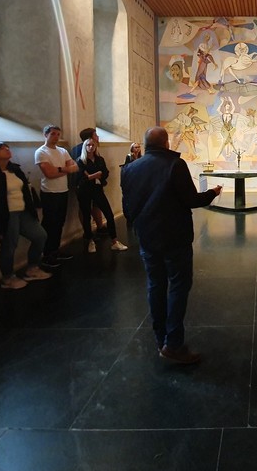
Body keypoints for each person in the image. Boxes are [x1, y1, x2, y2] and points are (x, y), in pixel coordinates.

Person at [121, 127, 221, 364]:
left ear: (145, 144)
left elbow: (127, 207)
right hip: (174, 237)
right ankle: (173, 344)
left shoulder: (129, 168)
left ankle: (160, 339)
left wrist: (141, 225)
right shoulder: (175, 164)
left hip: (147, 238)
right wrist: (212, 193)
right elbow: (191, 200)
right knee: (178, 285)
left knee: (155, 286)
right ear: (166, 143)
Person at [0, 142, 53, 290]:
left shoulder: (15, 170)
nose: (7, 150)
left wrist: (33, 208)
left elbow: (26, 190)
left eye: (7, 147)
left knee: (40, 236)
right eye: (2, 148)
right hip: (6, 214)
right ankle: (8, 277)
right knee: (9, 245)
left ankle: (32, 268)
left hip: (22, 211)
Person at [35, 124, 79, 266]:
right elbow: (49, 173)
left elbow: (75, 167)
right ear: (45, 135)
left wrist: (59, 169)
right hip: (49, 192)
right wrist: (65, 169)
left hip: (63, 191)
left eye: (58, 134)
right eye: (53, 134)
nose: (56, 137)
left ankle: (55, 250)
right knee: (50, 224)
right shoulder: (41, 152)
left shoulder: (62, 151)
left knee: (59, 223)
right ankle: (46, 254)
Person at [76, 138, 128, 254]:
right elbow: (83, 177)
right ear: (85, 147)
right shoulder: (81, 160)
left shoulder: (99, 159)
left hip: (97, 189)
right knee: (86, 216)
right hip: (84, 191)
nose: (91, 147)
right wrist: (95, 175)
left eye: (92, 145)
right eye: (88, 145)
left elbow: (105, 172)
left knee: (109, 214)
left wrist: (92, 175)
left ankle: (114, 241)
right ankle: (90, 241)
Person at [71, 127, 108, 233]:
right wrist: (93, 175)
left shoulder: (94, 148)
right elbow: (81, 170)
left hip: (95, 184)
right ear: (89, 137)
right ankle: (87, 231)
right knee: (84, 209)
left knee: (96, 205)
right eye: (95, 135)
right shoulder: (78, 150)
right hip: (84, 185)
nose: (98, 137)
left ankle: (100, 227)